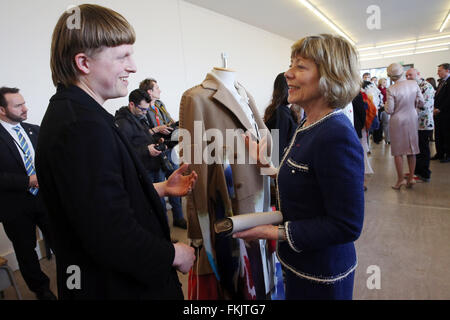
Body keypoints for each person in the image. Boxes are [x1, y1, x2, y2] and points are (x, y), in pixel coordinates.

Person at [35, 4, 197, 300]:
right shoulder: (80, 126)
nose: (133, 67)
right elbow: (110, 234)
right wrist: (174, 254)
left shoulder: (82, 114)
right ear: (83, 62)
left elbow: (98, 200)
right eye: (123, 56)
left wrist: (160, 188)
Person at [235, 34, 364, 300]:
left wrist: (273, 232)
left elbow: (347, 225)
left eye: (300, 67)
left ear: (331, 76)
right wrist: (269, 167)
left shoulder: (335, 134)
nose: (288, 74)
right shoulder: (308, 124)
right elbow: (309, 180)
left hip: (322, 276)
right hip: (300, 266)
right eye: (290, 64)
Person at [0, 87, 56, 300]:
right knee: (26, 252)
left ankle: (74, 280)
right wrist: (27, 181)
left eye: (24, 103)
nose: (25, 108)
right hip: (14, 206)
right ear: (2, 110)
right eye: (18, 105)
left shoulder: (35, 130)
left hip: (45, 199)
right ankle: (41, 290)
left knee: (63, 241)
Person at [139, 78, 187, 229]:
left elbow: (169, 121)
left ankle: (179, 218)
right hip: (156, 153)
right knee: (161, 189)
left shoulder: (160, 105)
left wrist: (171, 126)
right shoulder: (142, 108)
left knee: (175, 181)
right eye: (157, 88)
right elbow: (141, 132)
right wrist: (159, 130)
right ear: (149, 92)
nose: (160, 90)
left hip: (169, 148)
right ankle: (164, 227)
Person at [385, 63, 424, 189]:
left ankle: (400, 180)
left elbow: (390, 110)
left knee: (398, 152)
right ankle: (411, 177)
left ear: (390, 76)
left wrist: (385, 104)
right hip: (412, 118)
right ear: (402, 72)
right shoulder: (414, 84)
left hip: (397, 120)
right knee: (412, 149)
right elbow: (421, 102)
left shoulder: (391, 89)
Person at [405, 68, 435, 181]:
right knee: (416, 149)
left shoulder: (425, 86)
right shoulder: (413, 86)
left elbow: (423, 105)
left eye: (410, 75)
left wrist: (408, 112)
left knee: (423, 149)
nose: (408, 77)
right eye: (407, 75)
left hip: (424, 123)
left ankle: (425, 173)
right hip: (414, 123)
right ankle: (416, 171)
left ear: (418, 74)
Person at [263, 72, 299, 163]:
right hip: (280, 169)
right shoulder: (281, 114)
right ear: (286, 89)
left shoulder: (284, 111)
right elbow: (276, 153)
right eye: (293, 87)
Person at [432, 63, 450, 163]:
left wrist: (440, 109)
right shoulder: (442, 82)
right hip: (438, 113)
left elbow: (448, 99)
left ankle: (448, 154)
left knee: (446, 134)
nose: (438, 73)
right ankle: (440, 153)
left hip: (446, 113)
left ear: (447, 70)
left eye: (440, 70)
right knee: (438, 134)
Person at [378, 78, 390, 144]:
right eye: (384, 82)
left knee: (386, 123)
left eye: (386, 82)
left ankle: (387, 139)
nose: (386, 83)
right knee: (383, 124)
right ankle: (384, 138)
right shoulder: (379, 89)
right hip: (381, 108)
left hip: (386, 106)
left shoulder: (386, 89)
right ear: (381, 82)